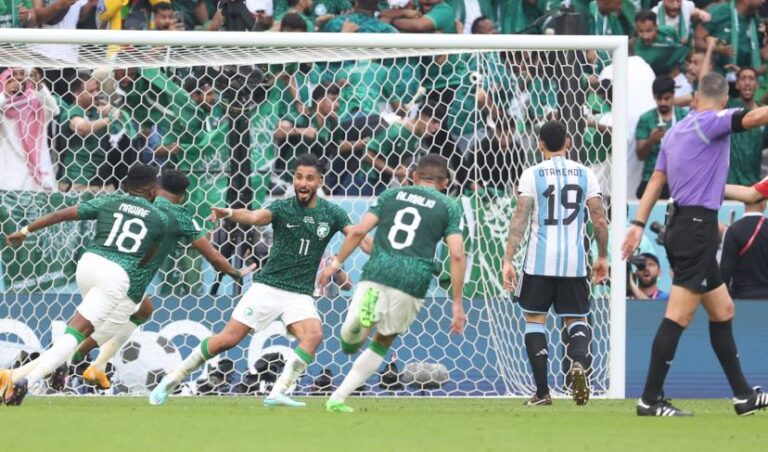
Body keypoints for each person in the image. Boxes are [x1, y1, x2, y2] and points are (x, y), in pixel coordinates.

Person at [149, 154, 370, 407]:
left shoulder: (332, 213)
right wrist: (229, 212)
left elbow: (357, 235)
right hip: (268, 287)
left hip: (300, 294)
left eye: (309, 178)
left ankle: (278, 392)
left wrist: (371, 251)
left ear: (320, 181)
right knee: (227, 339)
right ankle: (173, 379)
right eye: (298, 177)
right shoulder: (282, 208)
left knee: (313, 335)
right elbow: (255, 217)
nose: (303, 183)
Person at [622, 72, 768, 417]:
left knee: (723, 310)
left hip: (683, 224)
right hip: (697, 230)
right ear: (722, 101)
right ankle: (649, 400)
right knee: (678, 314)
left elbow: (659, 179)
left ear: (697, 96)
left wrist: (638, 224)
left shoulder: (675, 133)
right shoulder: (711, 121)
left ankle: (744, 396)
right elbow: (757, 116)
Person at [60, 170, 256, 390]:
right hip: (127, 281)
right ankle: (66, 359)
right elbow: (215, 258)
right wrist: (237, 273)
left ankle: (92, 363)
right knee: (103, 321)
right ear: (182, 196)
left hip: (99, 266)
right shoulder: (180, 215)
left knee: (142, 310)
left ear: (157, 187)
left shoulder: (134, 203)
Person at [0, 164, 168, 405]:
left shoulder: (109, 203)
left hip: (88, 265)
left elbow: (59, 215)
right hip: (116, 276)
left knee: (88, 328)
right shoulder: (158, 219)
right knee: (80, 332)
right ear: (152, 190)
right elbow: (149, 256)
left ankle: (63, 362)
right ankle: (27, 379)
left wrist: (25, 230)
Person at [318, 154, 466, 413]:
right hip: (414, 277)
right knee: (383, 341)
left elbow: (359, 231)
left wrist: (335, 264)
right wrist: (456, 303)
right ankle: (338, 397)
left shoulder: (390, 196)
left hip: (379, 269)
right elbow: (456, 254)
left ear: (415, 176)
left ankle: (360, 322)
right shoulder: (449, 206)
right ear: (445, 182)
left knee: (348, 344)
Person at [501, 120, 608, 406]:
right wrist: (602, 256)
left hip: (539, 263)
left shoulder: (531, 174)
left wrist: (508, 259)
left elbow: (520, 218)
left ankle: (542, 392)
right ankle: (578, 362)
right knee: (577, 319)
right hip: (574, 263)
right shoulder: (586, 174)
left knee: (535, 321)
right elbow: (598, 217)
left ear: (540, 144)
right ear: (569, 142)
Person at [635, 75, 686, 199]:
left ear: (673, 95)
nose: (663, 102)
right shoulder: (646, 119)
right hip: (651, 178)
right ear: (653, 96)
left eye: (666, 98)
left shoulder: (684, 117)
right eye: (659, 98)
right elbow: (640, 155)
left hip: (679, 179)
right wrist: (651, 141)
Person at [726, 67, 768, 186]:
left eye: (751, 79)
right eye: (743, 78)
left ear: (757, 85)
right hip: (729, 184)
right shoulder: (729, 106)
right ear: (737, 84)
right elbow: (704, 88)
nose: (747, 82)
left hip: (753, 184)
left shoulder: (764, 113)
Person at [720, 199, 768, 299]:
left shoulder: (733, 230)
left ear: (744, 203)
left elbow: (725, 269)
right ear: (764, 203)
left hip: (741, 295)